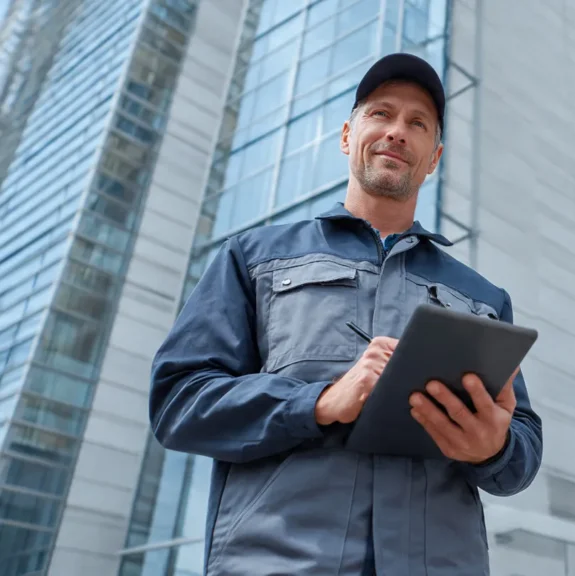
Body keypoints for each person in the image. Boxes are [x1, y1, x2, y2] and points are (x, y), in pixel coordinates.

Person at [149, 53, 543, 576]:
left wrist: (496, 446)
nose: (397, 132)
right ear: (346, 136)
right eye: (381, 114)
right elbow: (180, 400)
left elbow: (523, 446)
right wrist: (318, 402)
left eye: (417, 123)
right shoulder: (254, 257)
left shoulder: (483, 298)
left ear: (434, 158)